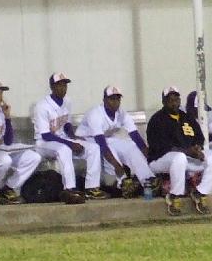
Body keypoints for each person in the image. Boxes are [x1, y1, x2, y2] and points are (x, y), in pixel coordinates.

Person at [32, 72, 105, 204]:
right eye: (59, 85)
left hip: (62, 139)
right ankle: (69, 189)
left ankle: (92, 188)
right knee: (64, 149)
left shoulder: (67, 101)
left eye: (65, 84)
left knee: (93, 148)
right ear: (52, 87)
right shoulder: (42, 106)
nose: (63, 88)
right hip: (44, 143)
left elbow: (66, 123)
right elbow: (46, 135)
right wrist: (70, 144)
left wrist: (74, 137)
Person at [73, 85, 154, 197]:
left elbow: (136, 136)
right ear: (104, 100)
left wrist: (150, 158)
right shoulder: (95, 114)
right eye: (112, 99)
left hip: (105, 139)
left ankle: (148, 181)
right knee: (111, 151)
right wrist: (116, 165)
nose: (115, 102)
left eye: (118, 99)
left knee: (131, 145)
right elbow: (101, 143)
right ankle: (124, 183)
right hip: (85, 140)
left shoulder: (122, 114)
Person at [146, 86, 212, 216]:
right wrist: (188, 151)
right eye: (171, 100)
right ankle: (175, 196)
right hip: (159, 160)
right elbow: (161, 146)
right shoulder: (157, 120)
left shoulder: (186, 118)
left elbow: (199, 137)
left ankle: (200, 192)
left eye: (177, 99)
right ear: (164, 101)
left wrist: (198, 148)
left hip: (185, 158)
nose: (174, 102)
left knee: (209, 156)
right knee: (179, 157)